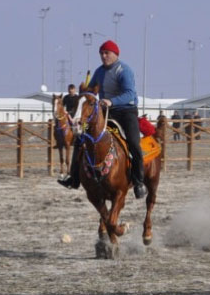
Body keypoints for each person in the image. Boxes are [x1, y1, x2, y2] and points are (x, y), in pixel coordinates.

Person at [58, 40, 148, 199]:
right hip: (105, 112)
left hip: (126, 111)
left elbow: (129, 93)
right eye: (101, 53)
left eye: (107, 53)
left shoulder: (124, 70)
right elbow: (91, 91)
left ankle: (139, 182)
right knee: (81, 137)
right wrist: (84, 94)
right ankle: (74, 178)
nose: (103, 56)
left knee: (134, 143)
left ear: (115, 54)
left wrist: (111, 101)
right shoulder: (99, 72)